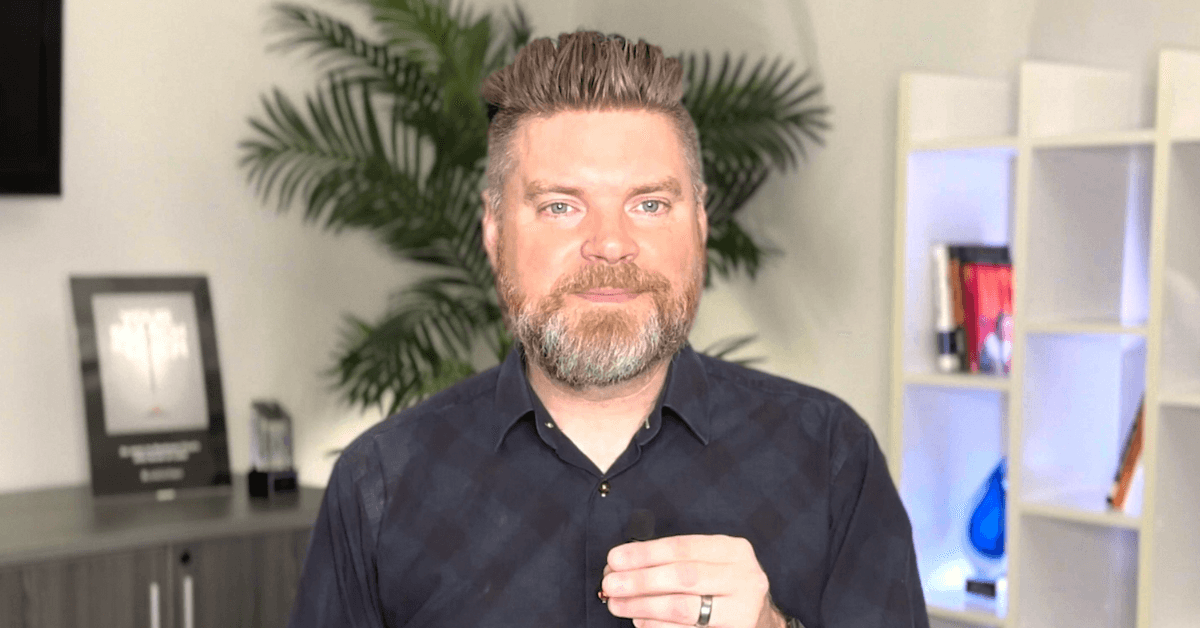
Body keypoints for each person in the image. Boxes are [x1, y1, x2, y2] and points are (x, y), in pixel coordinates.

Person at [287, 30, 929, 628]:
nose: (611, 244)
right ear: (494, 230)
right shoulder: (381, 484)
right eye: (561, 206)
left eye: (649, 204)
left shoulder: (829, 458)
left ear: (699, 223)